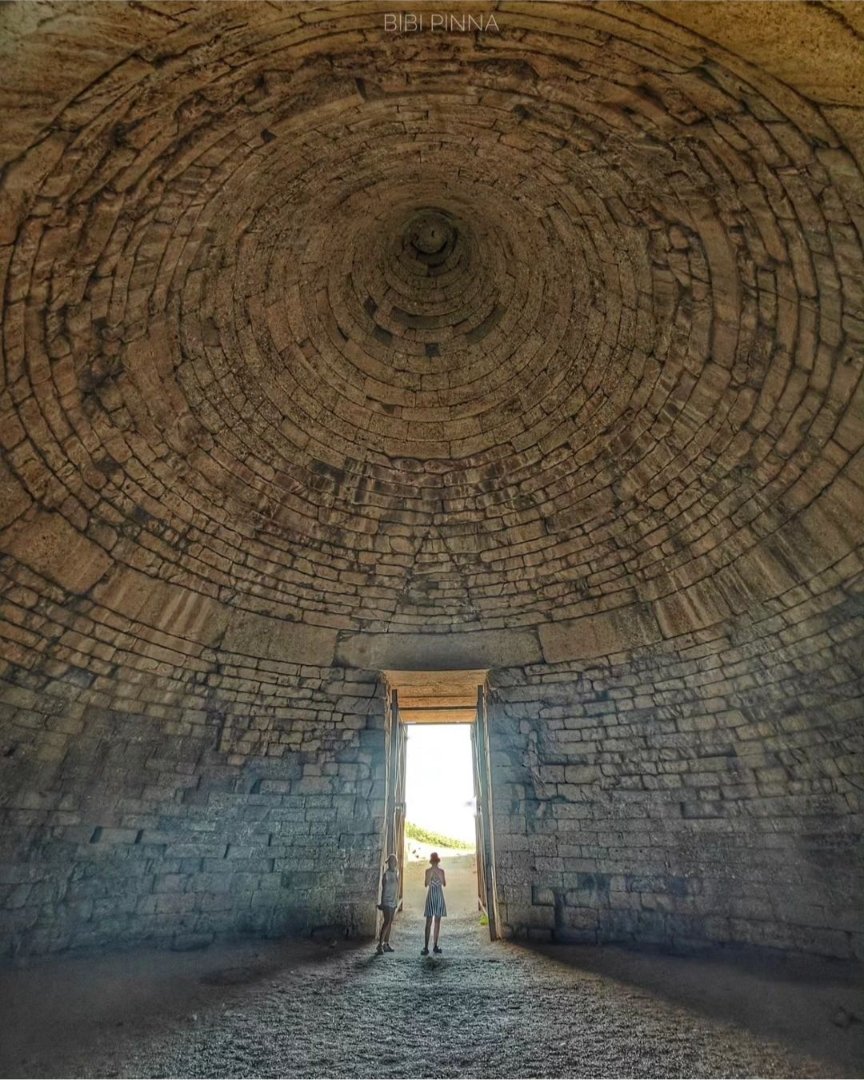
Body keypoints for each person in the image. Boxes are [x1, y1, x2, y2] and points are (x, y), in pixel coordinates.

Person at [422, 852, 447, 955]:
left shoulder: (441, 871)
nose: (435, 863)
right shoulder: (428, 871)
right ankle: (426, 946)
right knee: (428, 921)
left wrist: (439, 875)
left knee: (437, 921)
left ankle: (435, 945)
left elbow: (444, 884)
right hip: (432, 895)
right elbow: (426, 884)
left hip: (438, 895)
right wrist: (431, 874)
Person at [376, 853, 399, 954]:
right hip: (387, 901)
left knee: (389, 923)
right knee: (387, 921)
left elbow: (397, 887)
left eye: (393, 862)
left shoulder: (396, 873)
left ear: (395, 863)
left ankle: (386, 943)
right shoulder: (386, 875)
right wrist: (382, 903)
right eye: (390, 862)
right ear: (388, 863)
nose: (391, 864)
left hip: (393, 901)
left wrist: (396, 900)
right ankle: (380, 945)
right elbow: (383, 889)